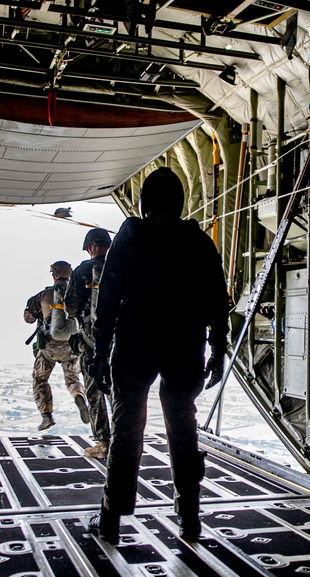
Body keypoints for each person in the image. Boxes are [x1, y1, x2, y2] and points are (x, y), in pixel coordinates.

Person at [87, 167, 229, 544]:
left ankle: (111, 518)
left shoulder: (131, 235)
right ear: (179, 202)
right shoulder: (198, 241)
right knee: (183, 430)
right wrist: (218, 349)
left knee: (127, 432)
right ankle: (189, 518)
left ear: (144, 201)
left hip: (135, 346)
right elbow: (218, 299)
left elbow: (109, 297)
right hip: (184, 348)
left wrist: (100, 352)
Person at [65, 228, 114, 459]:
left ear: (91, 246)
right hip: (121, 344)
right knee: (120, 393)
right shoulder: (122, 266)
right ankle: (125, 442)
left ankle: (103, 443)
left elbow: (71, 306)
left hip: (90, 343)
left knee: (94, 393)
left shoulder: (83, 270)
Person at [24, 261, 90, 431]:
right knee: (73, 379)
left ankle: (47, 416)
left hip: (48, 349)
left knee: (40, 379)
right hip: (71, 347)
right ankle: (78, 396)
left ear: (53, 274)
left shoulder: (43, 295)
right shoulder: (77, 294)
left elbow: (28, 317)